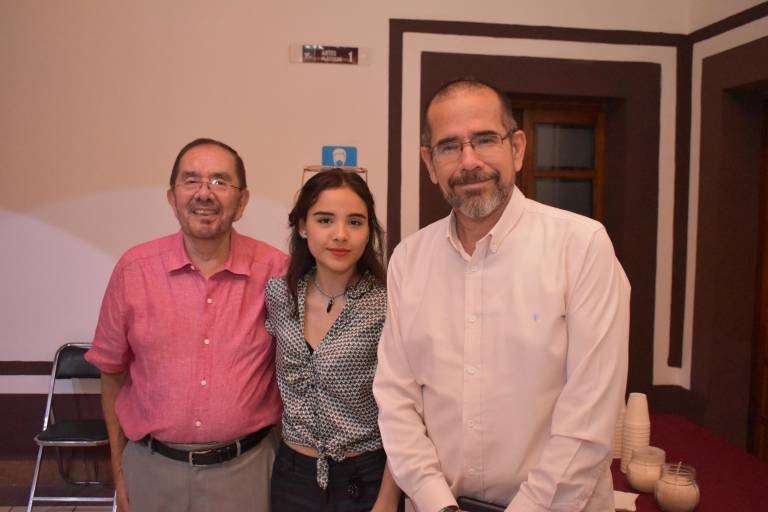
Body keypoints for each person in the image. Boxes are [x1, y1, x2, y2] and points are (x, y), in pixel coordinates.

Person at [372, 78, 630, 512]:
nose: (469, 161)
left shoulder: (582, 247)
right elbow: (396, 400)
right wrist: (438, 503)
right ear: (430, 163)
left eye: (485, 140)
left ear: (517, 149)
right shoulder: (408, 260)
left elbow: (589, 418)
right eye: (449, 146)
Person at [85, 138, 287, 512]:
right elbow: (111, 375)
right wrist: (120, 474)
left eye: (220, 181)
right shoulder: (134, 270)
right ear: (172, 197)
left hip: (248, 473)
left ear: (242, 202)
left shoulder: (276, 272)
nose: (204, 193)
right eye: (191, 180)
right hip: (151, 472)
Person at [264, 168, 403, 511]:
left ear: (369, 231)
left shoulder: (388, 303)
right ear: (302, 226)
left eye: (355, 222)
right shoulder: (278, 294)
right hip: (292, 474)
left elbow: (408, 409)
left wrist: (387, 499)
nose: (340, 235)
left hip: (366, 476)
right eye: (325, 220)